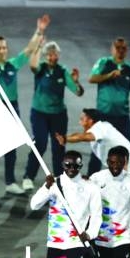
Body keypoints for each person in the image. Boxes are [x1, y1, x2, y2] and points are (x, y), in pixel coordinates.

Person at [0, 12, 46, 196]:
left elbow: (29, 49)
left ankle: (10, 182)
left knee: (11, 147)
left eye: (3, 48)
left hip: (12, 107)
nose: (1, 50)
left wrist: (39, 31)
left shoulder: (13, 64)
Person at [22, 41, 85, 191]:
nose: (52, 57)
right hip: (39, 114)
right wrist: (38, 47)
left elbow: (78, 92)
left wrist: (77, 82)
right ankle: (28, 177)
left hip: (58, 115)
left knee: (59, 147)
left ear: (58, 55)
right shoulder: (40, 68)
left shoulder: (62, 71)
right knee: (40, 144)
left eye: (55, 54)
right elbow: (32, 65)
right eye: (49, 55)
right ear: (45, 56)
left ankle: (60, 179)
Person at [89, 37, 130, 147]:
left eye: (123, 48)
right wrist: (109, 75)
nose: (120, 50)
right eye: (117, 47)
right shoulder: (104, 62)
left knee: (126, 150)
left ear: (126, 50)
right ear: (112, 49)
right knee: (99, 152)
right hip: (103, 115)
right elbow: (92, 78)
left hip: (122, 117)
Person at [56, 108, 130, 178]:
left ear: (90, 120)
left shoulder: (100, 128)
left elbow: (83, 137)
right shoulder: (99, 127)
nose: (80, 120)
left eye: (83, 118)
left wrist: (65, 138)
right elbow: (81, 135)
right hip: (124, 168)